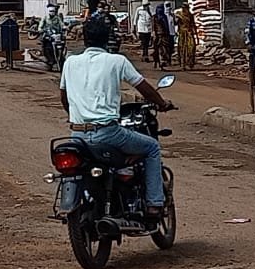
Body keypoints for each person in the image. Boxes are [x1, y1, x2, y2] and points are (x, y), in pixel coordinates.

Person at [59, 17, 174, 221]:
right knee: (152, 148)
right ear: (108, 39)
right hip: (108, 133)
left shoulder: (70, 62)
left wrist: (77, 116)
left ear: (84, 38)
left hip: (77, 136)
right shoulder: (117, 61)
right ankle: (154, 204)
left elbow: (64, 97)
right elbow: (143, 87)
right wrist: (162, 104)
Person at [38, 3, 67, 70]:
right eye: (51, 11)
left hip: (57, 35)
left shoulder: (57, 18)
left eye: (53, 11)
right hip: (48, 35)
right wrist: (41, 30)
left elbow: (61, 24)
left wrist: (64, 27)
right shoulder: (45, 18)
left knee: (63, 44)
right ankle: (49, 60)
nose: (52, 12)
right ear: (48, 11)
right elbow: (40, 27)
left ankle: (60, 58)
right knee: (47, 47)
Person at [174, 1, 198, 71]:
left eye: (186, 8)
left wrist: (196, 35)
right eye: (184, 8)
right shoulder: (179, 15)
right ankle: (183, 65)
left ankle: (190, 63)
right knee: (182, 49)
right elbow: (176, 23)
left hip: (189, 34)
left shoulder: (190, 15)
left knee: (191, 48)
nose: (185, 10)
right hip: (182, 34)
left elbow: (193, 24)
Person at [151, 1, 173, 68]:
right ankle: (157, 62)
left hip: (164, 35)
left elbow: (166, 26)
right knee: (157, 49)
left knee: (164, 49)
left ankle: (162, 62)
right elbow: (153, 26)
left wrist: (168, 33)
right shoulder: (155, 17)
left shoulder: (164, 16)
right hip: (158, 35)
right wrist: (154, 33)